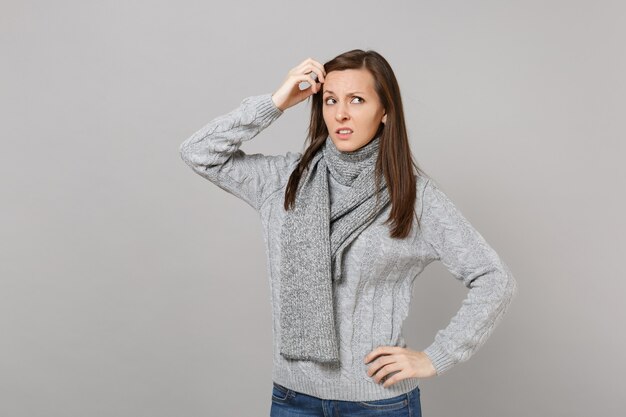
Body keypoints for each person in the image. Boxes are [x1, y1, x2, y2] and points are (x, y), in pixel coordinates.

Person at [179, 49, 518, 417]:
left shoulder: (414, 197)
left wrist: (436, 357)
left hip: (378, 404)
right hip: (292, 398)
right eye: (330, 100)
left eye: (357, 100)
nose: (340, 114)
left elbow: (494, 278)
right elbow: (199, 153)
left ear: (385, 111)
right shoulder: (284, 181)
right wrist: (277, 102)